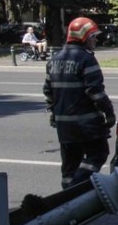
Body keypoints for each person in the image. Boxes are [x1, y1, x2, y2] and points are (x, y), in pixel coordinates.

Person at [43, 17, 114, 189]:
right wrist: (109, 113)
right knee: (98, 154)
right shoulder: (86, 59)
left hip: (64, 125)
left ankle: (66, 198)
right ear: (85, 38)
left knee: (69, 166)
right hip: (86, 124)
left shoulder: (54, 59)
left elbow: (48, 92)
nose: (96, 40)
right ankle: (77, 185)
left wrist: (54, 115)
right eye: (93, 36)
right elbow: (95, 92)